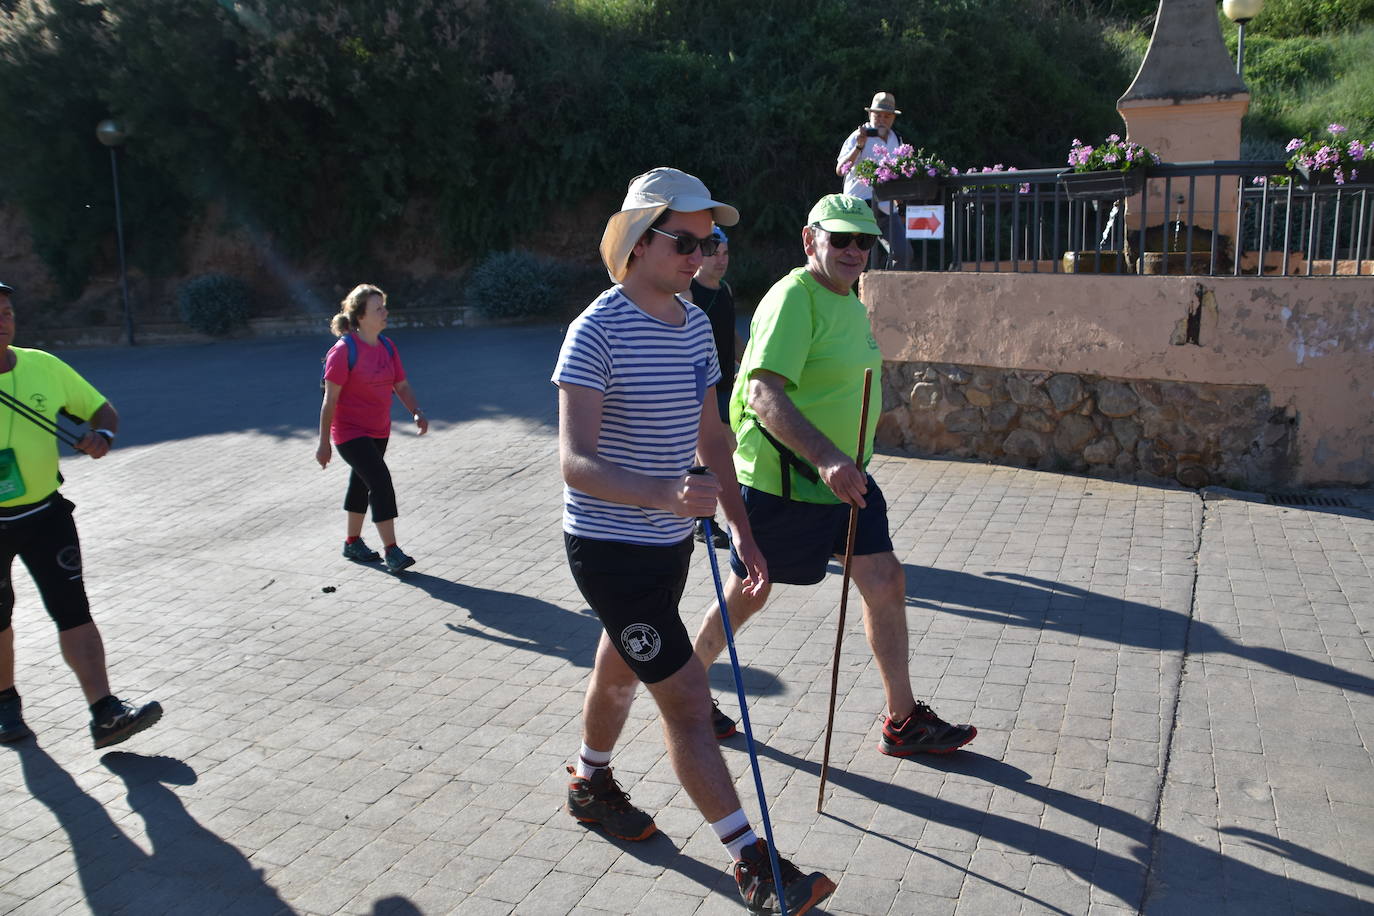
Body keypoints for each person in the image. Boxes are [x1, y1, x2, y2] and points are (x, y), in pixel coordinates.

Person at [554, 168, 835, 915]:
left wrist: (741, 531)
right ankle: (751, 860)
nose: (702, 254)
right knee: (683, 696)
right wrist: (664, 495)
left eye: (710, 241)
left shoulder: (696, 327)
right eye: (686, 240)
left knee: (619, 668)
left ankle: (590, 781)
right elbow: (574, 463)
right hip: (609, 549)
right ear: (641, 242)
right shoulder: (596, 330)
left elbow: (714, 436)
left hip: (671, 542)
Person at [693, 195, 978, 758]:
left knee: (885, 581)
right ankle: (685, 685)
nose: (853, 250)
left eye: (863, 241)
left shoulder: (847, 298)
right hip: (788, 480)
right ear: (810, 240)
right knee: (751, 591)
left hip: (845, 481)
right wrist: (826, 457)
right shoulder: (795, 298)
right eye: (840, 239)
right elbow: (761, 390)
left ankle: (903, 720)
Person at [0, 280, 163, 749]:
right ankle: (5, 705)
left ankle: (105, 713)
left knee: (74, 612)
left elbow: (101, 410)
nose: (4, 320)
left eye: (8, 311)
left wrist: (102, 437)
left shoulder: (43, 367)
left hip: (45, 514)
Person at [316, 284, 427, 574]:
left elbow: (400, 385)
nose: (385, 312)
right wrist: (323, 443)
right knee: (380, 481)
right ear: (361, 316)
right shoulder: (344, 352)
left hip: (379, 429)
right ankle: (392, 550)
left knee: (361, 482)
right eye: (378, 308)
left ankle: (352, 542)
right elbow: (329, 402)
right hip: (349, 432)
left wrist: (416, 411)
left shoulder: (387, 347)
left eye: (384, 307)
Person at [684, 226, 745, 550]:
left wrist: (748, 361)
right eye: (714, 254)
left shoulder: (725, 289)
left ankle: (701, 513)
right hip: (701, 385)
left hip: (727, 383)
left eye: (725, 254)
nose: (721, 261)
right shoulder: (689, 292)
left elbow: (729, 331)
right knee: (717, 447)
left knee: (722, 448)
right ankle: (702, 520)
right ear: (699, 255)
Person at [835, 91, 907, 267]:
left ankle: (888, 292)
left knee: (903, 254)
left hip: (887, 207)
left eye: (887, 116)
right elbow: (840, 169)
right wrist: (859, 146)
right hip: (859, 207)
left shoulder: (896, 138)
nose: (882, 119)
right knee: (853, 256)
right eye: (878, 115)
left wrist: (901, 204)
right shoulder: (858, 136)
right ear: (870, 115)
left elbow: (897, 174)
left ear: (893, 118)